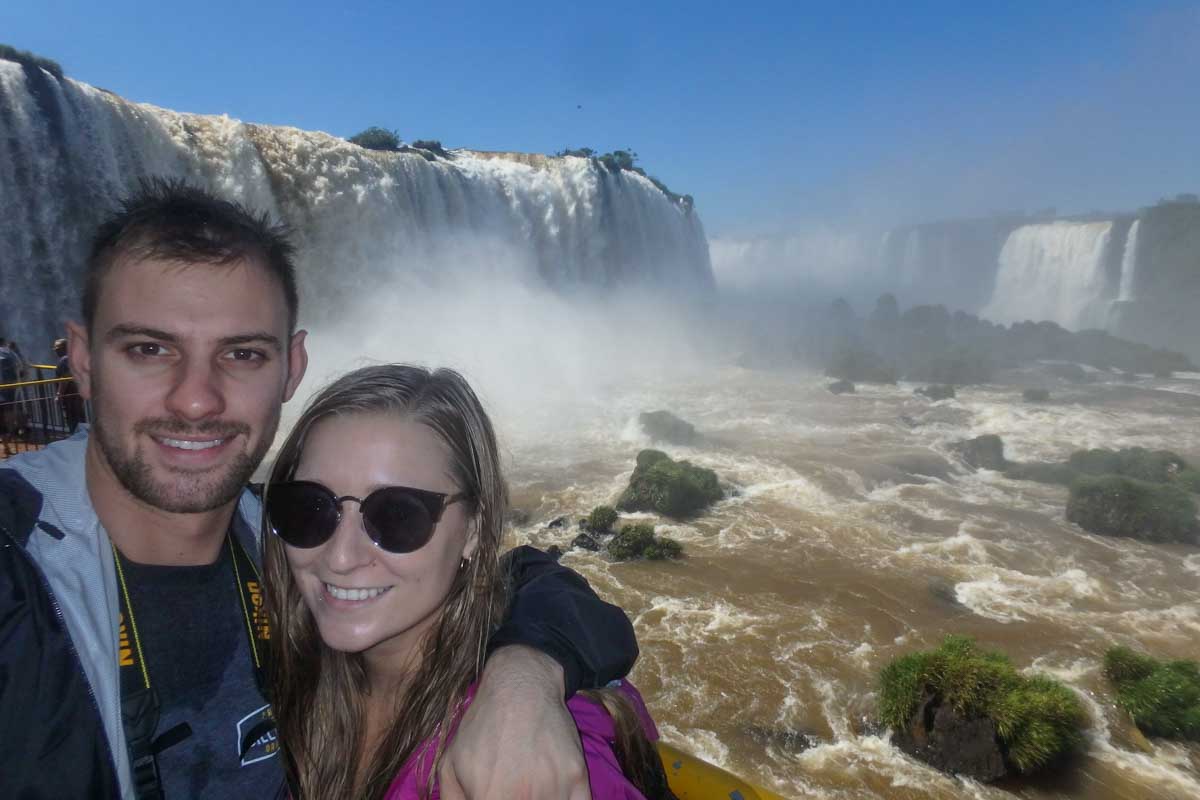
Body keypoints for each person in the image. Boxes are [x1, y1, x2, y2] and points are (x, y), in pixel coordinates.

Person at [0, 179, 638, 799]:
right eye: (148, 348)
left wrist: (523, 675)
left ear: (291, 367)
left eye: (242, 354)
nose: (195, 399)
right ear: (80, 360)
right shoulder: (20, 568)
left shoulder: (278, 531)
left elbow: (517, 577)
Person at [264, 364, 670, 800]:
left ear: (474, 530)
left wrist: (526, 678)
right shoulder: (302, 676)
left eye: (398, 515)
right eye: (310, 507)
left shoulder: (529, 759)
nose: (341, 557)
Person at [54, 336, 86, 431]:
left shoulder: (64, 360)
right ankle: (84, 439)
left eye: (57, 349)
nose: (56, 352)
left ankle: (76, 438)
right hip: (78, 393)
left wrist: (59, 395)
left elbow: (65, 379)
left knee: (72, 418)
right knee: (79, 416)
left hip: (69, 395)